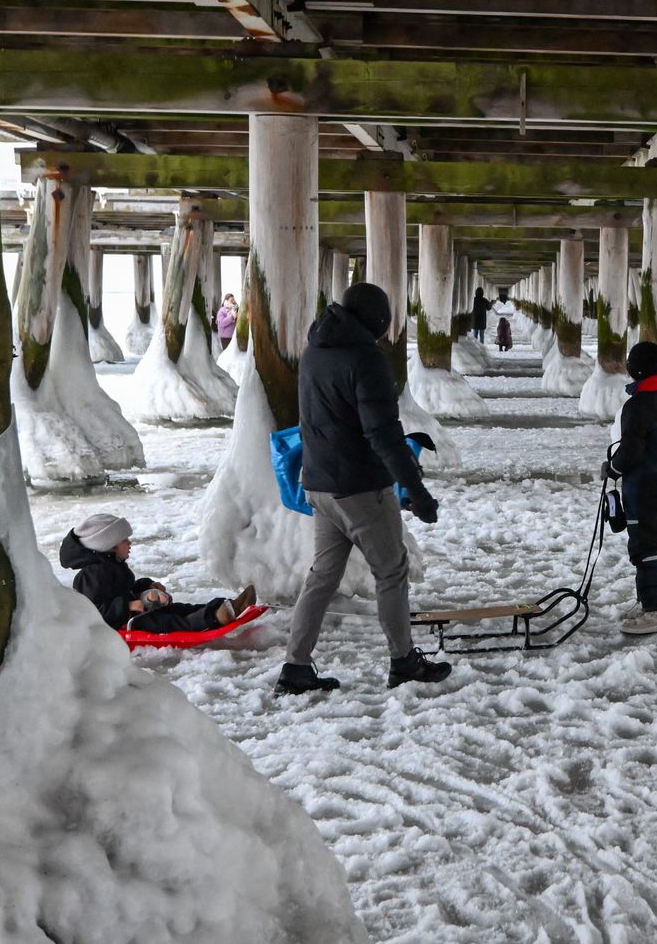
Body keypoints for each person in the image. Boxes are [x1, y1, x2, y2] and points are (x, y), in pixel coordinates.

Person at [280, 281, 453, 693]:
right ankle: (403, 662)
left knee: (321, 577)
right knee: (392, 571)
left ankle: (295, 668)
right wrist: (416, 490)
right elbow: (383, 434)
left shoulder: (314, 352)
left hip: (319, 484)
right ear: (376, 322)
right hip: (359, 488)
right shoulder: (366, 359)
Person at [606, 339, 657, 636]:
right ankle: (649, 600)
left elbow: (631, 453)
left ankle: (656, 610)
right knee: (653, 543)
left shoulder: (637, 406)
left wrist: (613, 468)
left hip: (644, 489)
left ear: (635, 370)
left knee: (645, 547)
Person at [61, 513, 255, 636]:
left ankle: (224, 607)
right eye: (124, 540)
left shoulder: (112, 565)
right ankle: (217, 617)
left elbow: (125, 589)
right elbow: (93, 610)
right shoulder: (92, 575)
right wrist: (127, 605)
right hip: (121, 625)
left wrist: (146, 586)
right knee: (167, 621)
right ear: (110, 546)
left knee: (179, 608)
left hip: (131, 614)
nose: (130, 543)